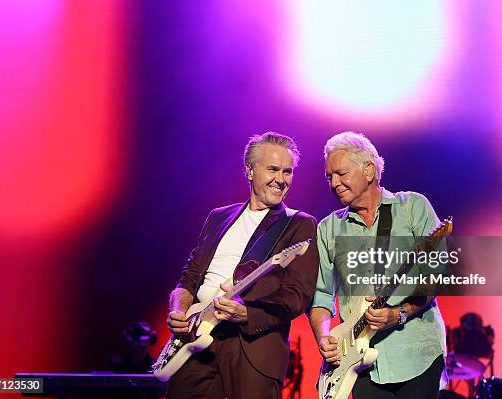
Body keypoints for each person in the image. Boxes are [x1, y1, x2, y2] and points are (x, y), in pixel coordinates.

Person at [165, 132, 319, 399]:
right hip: (196, 339)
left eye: (287, 171)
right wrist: (179, 311)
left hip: (252, 346)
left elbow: (297, 296)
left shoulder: (298, 224)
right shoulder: (218, 217)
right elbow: (189, 278)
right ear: (249, 170)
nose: (281, 180)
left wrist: (247, 314)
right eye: (272, 169)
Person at [309, 131, 447, 399]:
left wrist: (400, 314)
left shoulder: (412, 208)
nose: (333, 183)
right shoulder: (328, 228)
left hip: (416, 354)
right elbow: (321, 295)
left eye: (340, 173)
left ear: (369, 170)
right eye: (329, 177)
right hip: (357, 363)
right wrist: (324, 336)